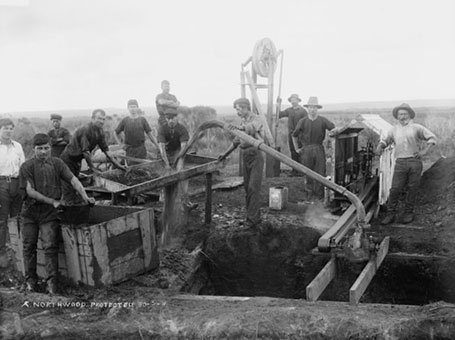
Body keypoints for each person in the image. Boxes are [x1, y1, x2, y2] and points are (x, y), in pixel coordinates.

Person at [19, 133, 95, 294]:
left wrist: (86, 197)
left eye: (46, 148)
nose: (43, 152)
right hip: (30, 212)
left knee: (50, 246)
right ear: (33, 149)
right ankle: (30, 281)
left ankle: (52, 283)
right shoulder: (26, 166)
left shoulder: (57, 163)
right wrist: (52, 201)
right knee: (29, 246)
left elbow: (73, 180)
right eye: (39, 149)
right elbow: (30, 191)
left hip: (49, 214)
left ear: (50, 148)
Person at [376, 103, 436, 224]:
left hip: (414, 162)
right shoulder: (394, 129)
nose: (402, 116)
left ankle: (408, 213)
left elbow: (432, 138)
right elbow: (386, 140)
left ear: (409, 115)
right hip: (400, 163)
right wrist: (380, 145)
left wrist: (424, 151)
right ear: (397, 116)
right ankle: (390, 214)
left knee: (412, 188)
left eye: (404, 114)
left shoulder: (417, 128)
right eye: (399, 114)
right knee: (395, 189)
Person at [60, 109, 125, 204]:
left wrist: (119, 165)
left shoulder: (100, 132)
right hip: (67, 160)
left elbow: (107, 151)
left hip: (77, 161)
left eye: (103, 119)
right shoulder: (86, 130)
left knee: (76, 185)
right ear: (92, 118)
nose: (101, 121)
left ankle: (73, 206)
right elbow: (86, 152)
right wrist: (93, 168)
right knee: (69, 186)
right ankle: (66, 209)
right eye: (99, 118)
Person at [219, 98, 266, 227]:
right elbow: (236, 141)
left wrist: (239, 128)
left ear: (246, 108)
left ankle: (253, 220)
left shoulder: (257, 119)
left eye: (238, 109)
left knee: (253, 187)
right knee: (247, 188)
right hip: (245, 155)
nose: (237, 112)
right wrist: (225, 154)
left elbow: (250, 129)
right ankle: (250, 217)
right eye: (236, 109)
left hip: (255, 155)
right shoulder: (243, 121)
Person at [292, 96, 338, 198]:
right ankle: (309, 196)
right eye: (310, 107)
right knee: (308, 173)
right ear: (307, 108)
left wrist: (330, 142)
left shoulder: (322, 120)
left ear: (317, 109)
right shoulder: (302, 121)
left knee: (320, 173)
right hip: (306, 150)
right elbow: (294, 135)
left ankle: (320, 197)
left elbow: (334, 129)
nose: (312, 110)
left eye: (314, 108)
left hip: (319, 149)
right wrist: (296, 149)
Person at [0, 118, 25, 266]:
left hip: (16, 183)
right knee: (2, 220)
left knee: (17, 219)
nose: (8, 131)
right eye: (5, 128)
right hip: (1, 184)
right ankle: (2, 253)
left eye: (11, 128)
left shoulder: (18, 146)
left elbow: (23, 167)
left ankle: (19, 253)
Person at [115, 99, 158, 164]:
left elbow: (150, 134)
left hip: (141, 149)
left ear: (137, 107)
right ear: (128, 108)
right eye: (131, 107)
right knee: (131, 169)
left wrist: (157, 145)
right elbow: (115, 132)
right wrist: (120, 145)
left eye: (134, 106)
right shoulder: (125, 120)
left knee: (142, 168)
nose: (133, 109)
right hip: (129, 150)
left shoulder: (142, 120)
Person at [279, 94, 308, 166]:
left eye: (294, 99)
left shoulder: (303, 111)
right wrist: (278, 104)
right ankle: (295, 170)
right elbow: (279, 114)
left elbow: (307, 123)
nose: (293, 101)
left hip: (300, 135)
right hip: (291, 135)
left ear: (298, 100)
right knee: (293, 151)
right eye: (292, 100)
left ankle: (302, 170)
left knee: (301, 151)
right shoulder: (289, 110)